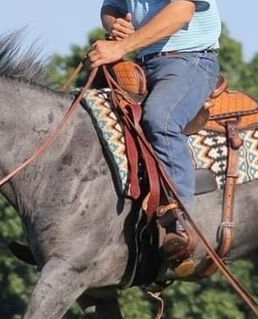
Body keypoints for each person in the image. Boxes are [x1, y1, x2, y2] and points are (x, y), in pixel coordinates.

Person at [89, 0, 221, 269]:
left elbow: (183, 10)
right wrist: (116, 24)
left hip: (190, 60)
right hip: (140, 63)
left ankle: (178, 226)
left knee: (161, 119)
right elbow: (111, 6)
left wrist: (121, 47)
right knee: (88, 115)